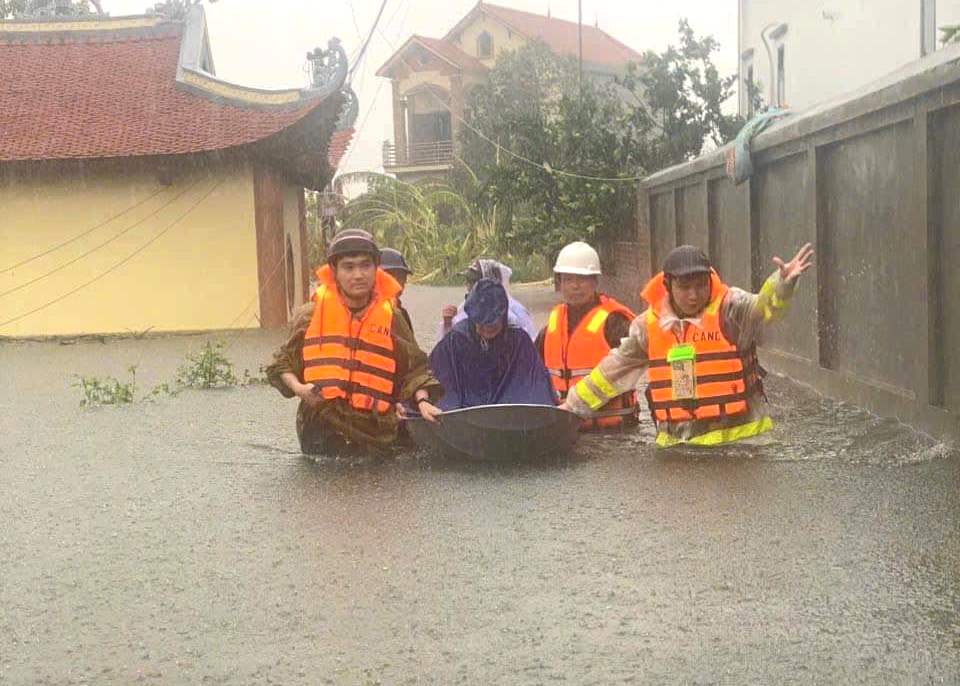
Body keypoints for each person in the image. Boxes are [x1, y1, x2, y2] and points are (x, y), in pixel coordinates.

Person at [561, 243, 814, 447]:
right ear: (668, 285)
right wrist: (570, 408)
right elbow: (612, 371)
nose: (693, 296)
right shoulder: (648, 327)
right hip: (678, 448)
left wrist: (782, 285)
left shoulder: (730, 308)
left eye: (700, 286)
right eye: (684, 288)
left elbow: (762, 308)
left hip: (740, 444)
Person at [266, 229, 442, 456]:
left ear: (376, 268)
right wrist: (300, 389)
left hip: (376, 430)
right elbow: (282, 364)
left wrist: (423, 402)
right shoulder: (309, 315)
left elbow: (415, 369)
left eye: (365, 265)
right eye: (348, 267)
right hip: (322, 428)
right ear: (334, 272)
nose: (358, 275)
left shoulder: (393, 317)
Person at [536, 241, 637, 431]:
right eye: (568, 279)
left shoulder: (615, 322)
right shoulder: (551, 326)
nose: (575, 286)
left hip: (613, 430)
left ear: (594, 282)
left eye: (582, 279)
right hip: (567, 426)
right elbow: (532, 371)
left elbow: (633, 366)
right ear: (560, 283)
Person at [429, 278, 554, 410]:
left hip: (508, 417)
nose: (488, 327)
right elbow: (433, 378)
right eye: (482, 322)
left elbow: (538, 388)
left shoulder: (519, 342)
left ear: (504, 316)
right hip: (465, 418)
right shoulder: (455, 340)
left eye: (493, 322)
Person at [439, 258, 537, 341]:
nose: (468, 285)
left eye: (473, 281)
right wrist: (447, 324)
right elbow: (449, 350)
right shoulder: (465, 307)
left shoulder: (516, 315)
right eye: (467, 280)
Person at [379, 247, 414, 336]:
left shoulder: (402, 314)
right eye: (390, 276)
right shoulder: (362, 313)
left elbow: (410, 348)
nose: (396, 283)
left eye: (401, 277)